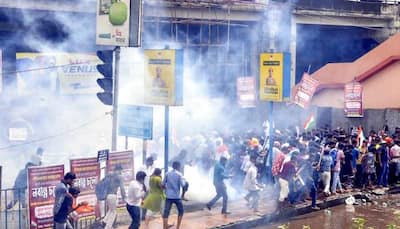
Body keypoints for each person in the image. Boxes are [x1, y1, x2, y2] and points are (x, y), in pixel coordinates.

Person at [162, 161, 188, 229]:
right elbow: (183, 185)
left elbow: (163, 184)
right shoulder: (179, 174)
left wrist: (167, 189)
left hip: (168, 196)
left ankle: (165, 227)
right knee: (181, 211)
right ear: (178, 166)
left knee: (166, 212)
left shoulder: (167, 174)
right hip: (176, 196)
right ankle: (178, 227)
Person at [102, 165, 126, 229]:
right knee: (114, 212)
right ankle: (108, 227)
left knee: (110, 210)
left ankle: (104, 221)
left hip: (107, 195)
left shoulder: (108, 175)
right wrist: (124, 197)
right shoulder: (119, 177)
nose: (121, 172)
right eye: (121, 170)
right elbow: (122, 188)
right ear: (119, 170)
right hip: (113, 195)